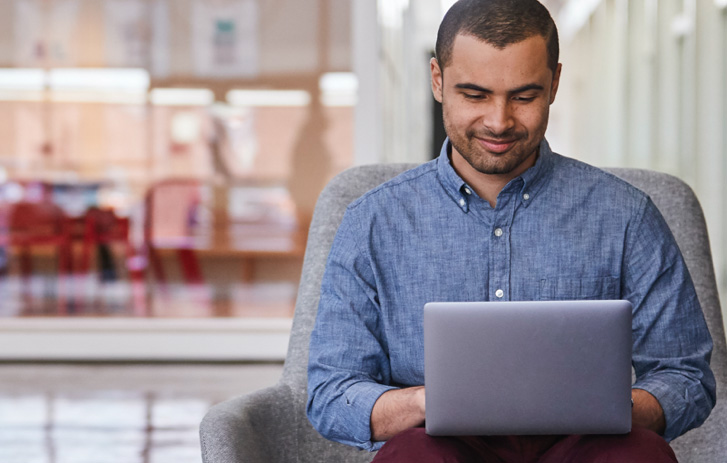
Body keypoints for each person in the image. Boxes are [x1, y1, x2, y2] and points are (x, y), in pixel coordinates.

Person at [306, 0, 716, 461]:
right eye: (475, 95)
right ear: (438, 81)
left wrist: (606, 409)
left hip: (585, 446)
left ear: (554, 83)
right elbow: (331, 393)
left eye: (523, 96)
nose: (499, 122)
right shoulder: (372, 222)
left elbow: (686, 377)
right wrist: (431, 401)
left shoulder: (627, 216)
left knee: (638, 453)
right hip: (440, 447)